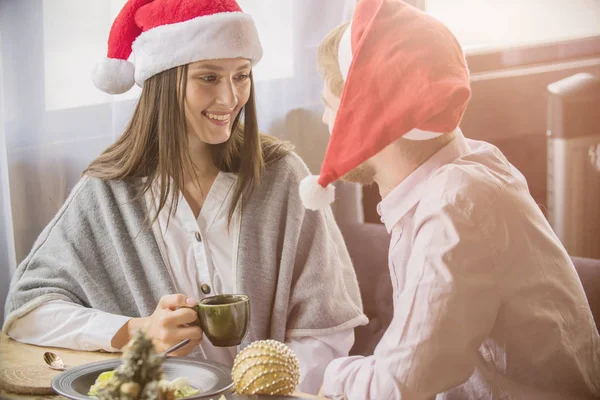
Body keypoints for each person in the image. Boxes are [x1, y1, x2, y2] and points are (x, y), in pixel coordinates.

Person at [2, 0, 367, 393]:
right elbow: (28, 311)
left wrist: (259, 389)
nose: (230, 99)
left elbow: (327, 329)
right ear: (163, 79)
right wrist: (135, 330)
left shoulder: (282, 177)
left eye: (241, 76)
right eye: (208, 78)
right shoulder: (108, 192)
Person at [299, 0, 600, 398]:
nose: (324, 121)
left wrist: (324, 377)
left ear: (368, 116)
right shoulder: (464, 171)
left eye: (330, 106)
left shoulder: (456, 205)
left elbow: (398, 386)